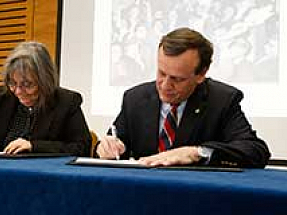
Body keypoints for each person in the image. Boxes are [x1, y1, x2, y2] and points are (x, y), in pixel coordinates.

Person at [96, 27, 270, 168]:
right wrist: (107, 148)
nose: (164, 86)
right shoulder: (135, 98)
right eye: (161, 73)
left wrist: (197, 153)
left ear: (201, 74)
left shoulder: (222, 100)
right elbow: (117, 144)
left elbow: (255, 151)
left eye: (177, 79)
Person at [0, 41, 91, 156]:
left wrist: (33, 146)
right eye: (12, 83)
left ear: (45, 81)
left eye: (27, 84)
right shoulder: (0, 96)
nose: (18, 91)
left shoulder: (66, 101)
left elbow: (81, 147)